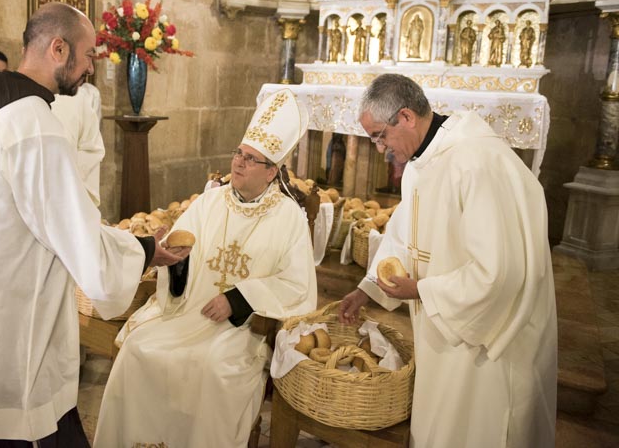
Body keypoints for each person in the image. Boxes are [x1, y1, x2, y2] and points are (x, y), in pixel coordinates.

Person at [0, 2, 189, 447]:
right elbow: (79, 241)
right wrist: (145, 250)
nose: (91, 68)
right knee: (33, 425)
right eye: (87, 56)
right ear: (58, 48)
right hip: (18, 318)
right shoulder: (34, 125)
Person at [338, 74, 557, 448]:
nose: (379, 148)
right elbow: (405, 235)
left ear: (406, 117)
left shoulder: (477, 161)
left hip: (487, 337)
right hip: (446, 325)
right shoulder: (422, 163)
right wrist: (368, 289)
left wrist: (421, 290)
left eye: (380, 136)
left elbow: (500, 272)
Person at [94, 89, 318, 448]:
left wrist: (238, 299)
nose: (239, 163)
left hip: (239, 328)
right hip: (189, 312)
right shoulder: (210, 201)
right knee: (138, 349)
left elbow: (297, 285)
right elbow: (180, 257)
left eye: (251, 159)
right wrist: (176, 260)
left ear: (271, 171)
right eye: (239, 154)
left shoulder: (289, 216)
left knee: (214, 368)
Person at [51, 82, 104, 205]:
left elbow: (92, 147)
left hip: (70, 193)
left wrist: (72, 177)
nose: (90, 72)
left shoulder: (81, 97)